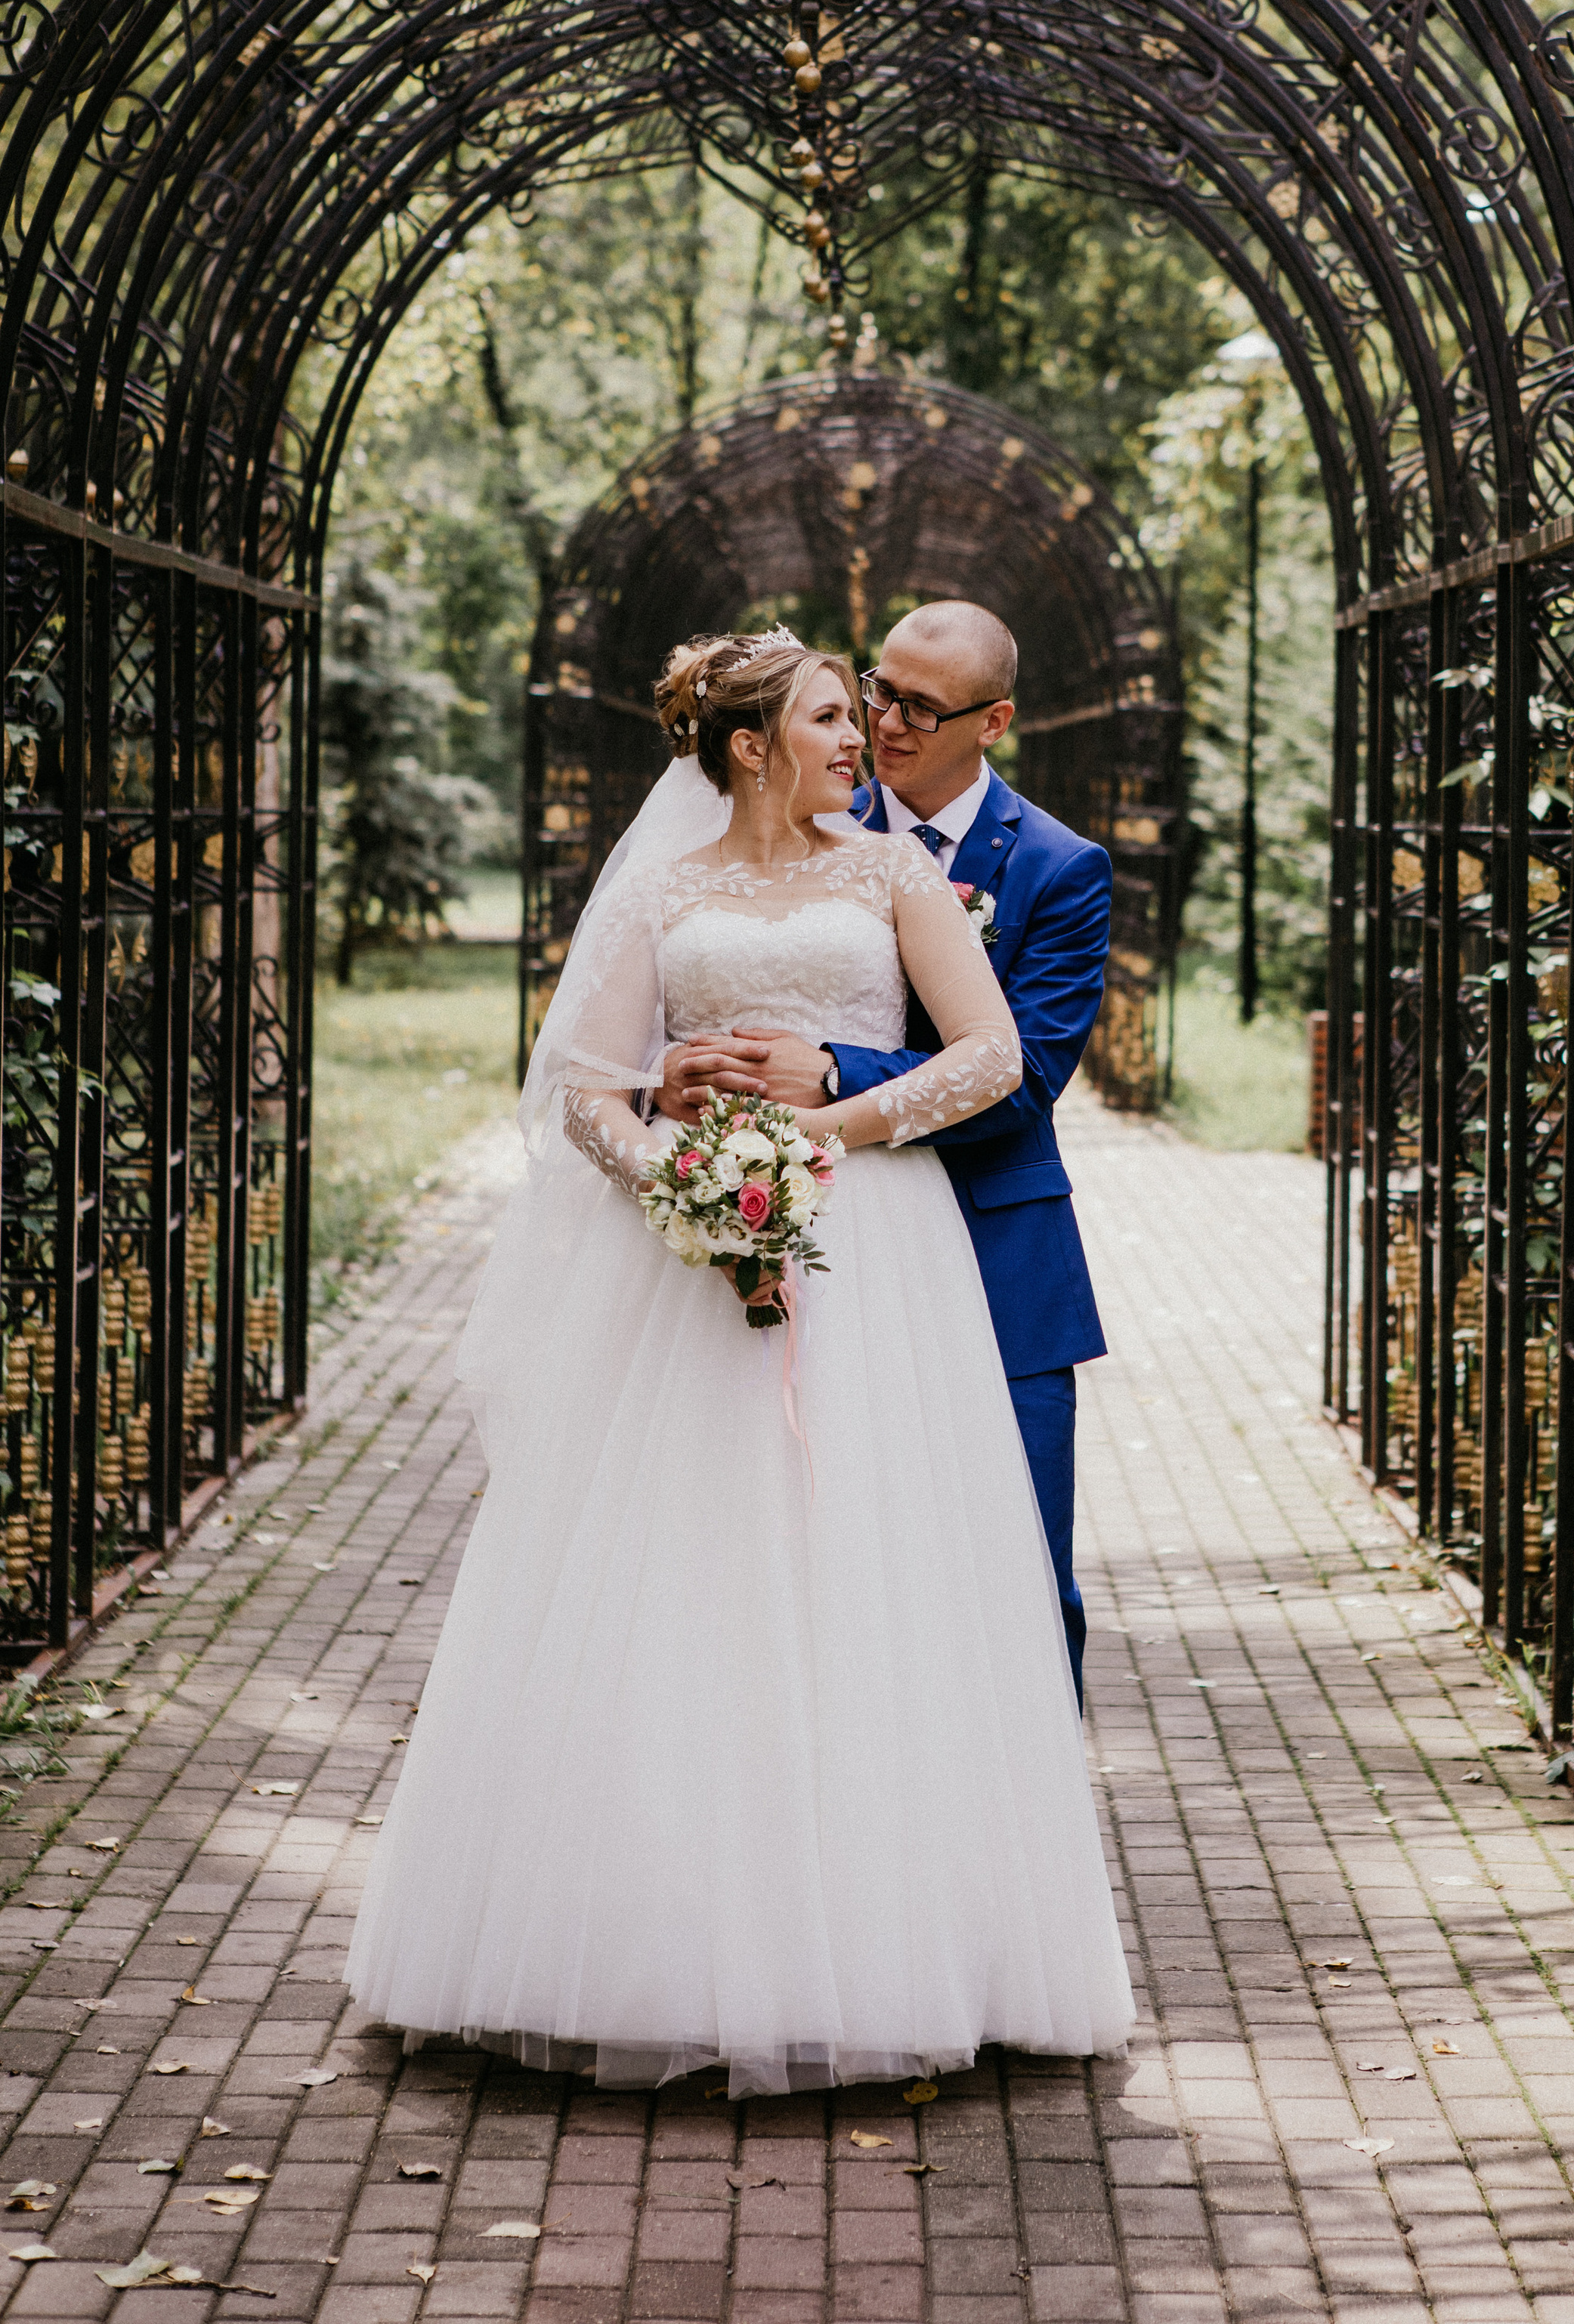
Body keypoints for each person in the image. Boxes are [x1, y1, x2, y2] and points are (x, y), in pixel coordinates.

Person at [343, 629, 1133, 2097]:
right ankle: (669, 1933)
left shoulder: (891, 875)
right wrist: (664, 1160)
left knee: (874, 1576)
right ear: (755, 742)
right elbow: (584, 1085)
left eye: (880, 711)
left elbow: (991, 1062)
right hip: (696, 1263)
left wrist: (811, 1131)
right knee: (688, 1578)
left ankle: (910, 1934)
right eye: (839, 715)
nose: (865, 739)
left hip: (874, 1257)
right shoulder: (663, 889)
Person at [657, 602, 1109, 1698]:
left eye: (920, 706)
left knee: (1018, 1570)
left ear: (993, 719)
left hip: (994, 1248)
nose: (884, 721)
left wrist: (835, 1073)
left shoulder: (1058, 868)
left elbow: (1027, 1077)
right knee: (817, 1559)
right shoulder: (799, 812)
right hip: (803, 1240)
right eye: (877, 690)